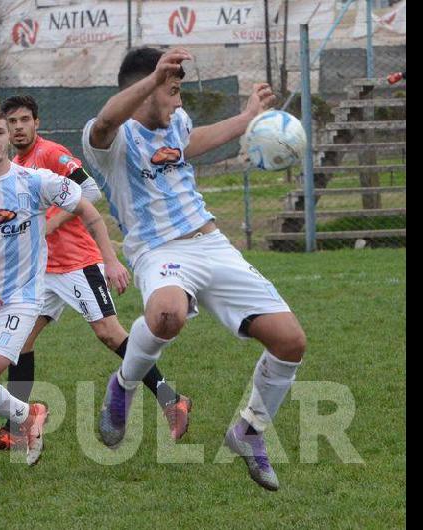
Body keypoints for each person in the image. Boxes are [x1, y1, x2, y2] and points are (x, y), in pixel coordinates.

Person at [82, 47, 307, 491]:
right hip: (156, 249)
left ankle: (248, 432)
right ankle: (124, 385)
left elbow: (192, 141)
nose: (180, 101)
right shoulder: (110, 138)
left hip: (212, 244)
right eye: (174, 90)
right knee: (167, 315)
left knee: (291, 342)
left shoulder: (176, 122)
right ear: (142, 90)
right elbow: (107, 121)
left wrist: (247, 118)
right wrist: (155, 80)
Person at [0, 95, 191, 453]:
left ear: (36, 123)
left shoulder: (50, 153)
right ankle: (15, 429)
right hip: (41, 272)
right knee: (20, 343)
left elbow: (90, 190)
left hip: (77, 264)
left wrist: (59, 228)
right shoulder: (15, 165)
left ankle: (172, 399)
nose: (18, 127)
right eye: (12, 122)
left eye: (25, 120)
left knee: (108, 333)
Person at [0, 106, 130, 474]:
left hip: (21, 298)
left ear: (8, 138)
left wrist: (110, 258)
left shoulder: (36, 181)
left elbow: (90, 208)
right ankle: (27, 413)